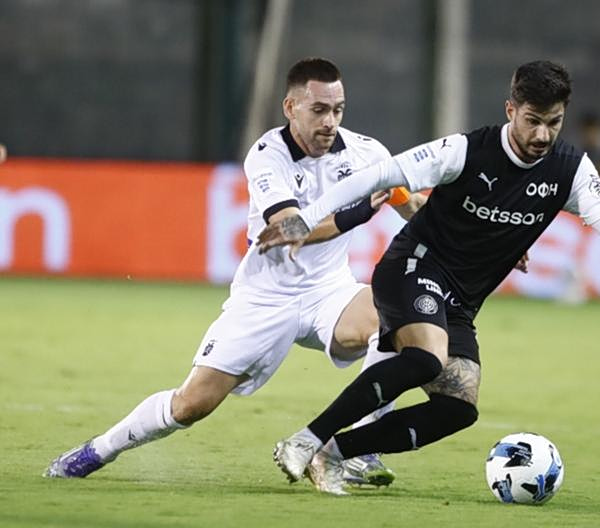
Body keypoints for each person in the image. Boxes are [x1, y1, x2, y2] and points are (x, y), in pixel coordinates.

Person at [258, 60, 600, 495]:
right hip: (413, 267)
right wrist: (306, 219)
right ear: (510, 110)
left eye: (553, 123)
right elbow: (379, 175)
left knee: (458, 408)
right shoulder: (464, 151)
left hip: (460, 302)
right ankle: (305, 440)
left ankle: (334, 453)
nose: (542, 135)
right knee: (427, 358)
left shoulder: (570, 169)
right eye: (532, 120)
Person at [44, 58, 424, 487]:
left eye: (338, 110)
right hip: (265, 298)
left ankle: (359, 450)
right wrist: (358, 213)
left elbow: (410, 204)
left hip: (329, 291)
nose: (330, 122)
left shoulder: (367, 154)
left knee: (396, 318)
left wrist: (472, 229)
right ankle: (97, 450)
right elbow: (289, 230)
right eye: (319, 110)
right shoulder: (267, 156)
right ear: (290, 107)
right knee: (192, 404)